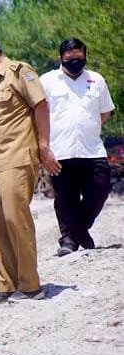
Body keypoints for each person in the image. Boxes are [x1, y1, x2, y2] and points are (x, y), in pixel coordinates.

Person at [0, 32, 61, 305]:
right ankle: (5, 283)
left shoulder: (20, 72)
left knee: (15, 219)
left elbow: (41, 106)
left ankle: (30, 284)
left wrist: (44, 147)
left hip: (17, 157)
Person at [40, 38, 115, 256]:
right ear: (60, 58)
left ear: (85, 56)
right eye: (70, 57)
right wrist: (43, 148)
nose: (75, 61)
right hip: (60, 149)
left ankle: (79, 231)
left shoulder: (96, 80)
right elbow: (39, 115)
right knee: (65, 196)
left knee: (100, 189)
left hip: (92, 148)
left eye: (79, 57)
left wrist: (86, 126)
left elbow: (105, 112)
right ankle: (69, 241)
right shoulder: (47, 81)